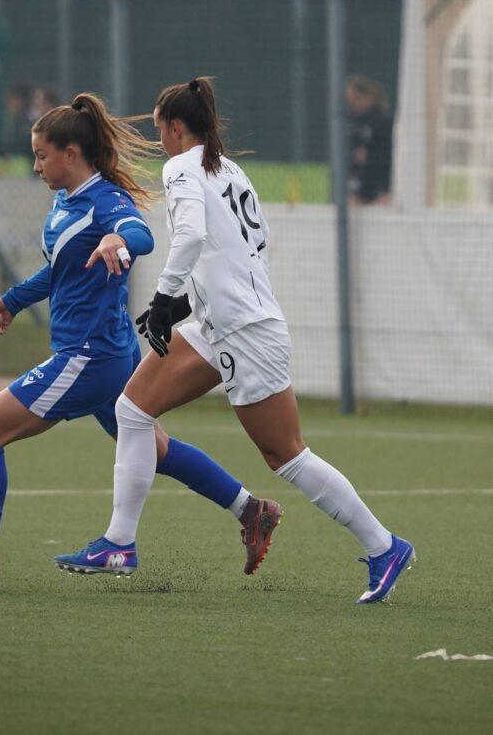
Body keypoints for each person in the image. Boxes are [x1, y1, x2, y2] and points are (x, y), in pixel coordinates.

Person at [55, 78, 414, 604]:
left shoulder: (182, 167)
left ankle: (385, 546)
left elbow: (193, 237)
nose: (160, 142)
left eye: (159, 130)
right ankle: (118, 544)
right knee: (131, 409)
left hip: (246, 333)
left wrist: (164, 296)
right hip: (220, 324)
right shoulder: (229, 169)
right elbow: (243, 249)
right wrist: (185, 306)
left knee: (285, 455)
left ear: (176, 127)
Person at [0, 93, 280, 590]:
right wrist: (12, 301)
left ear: (71, 154)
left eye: (42, 155)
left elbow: (140, 234)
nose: (36, 166)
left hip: (88, 356)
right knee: (155, 450)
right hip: (107, 352)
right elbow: (59, 271)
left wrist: (118, 239)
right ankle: (251, 510)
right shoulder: (65, 201)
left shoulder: (105, 200)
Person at [345, 74, 394, 206]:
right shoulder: (353, 122)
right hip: (360, 187)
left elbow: (387, 154)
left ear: (366, 97)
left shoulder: (382, 121)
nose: (352, 105)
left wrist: (370, 155)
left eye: (355, 100)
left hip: (381, 186)